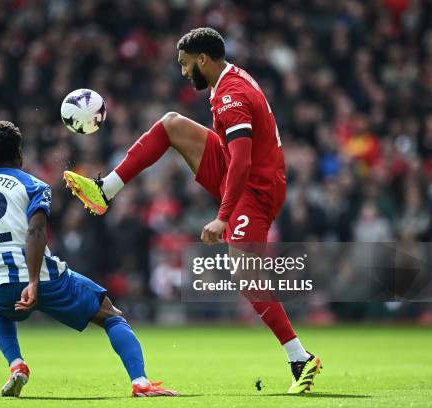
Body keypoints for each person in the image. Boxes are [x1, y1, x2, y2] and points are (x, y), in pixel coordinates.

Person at [63, 27, 322, 394]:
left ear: (203, 59)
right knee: (171, 123)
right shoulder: (226, 82)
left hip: (256, 188)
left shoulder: (233, 96)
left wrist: (224, 216)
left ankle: (300, 358)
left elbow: (243, 164)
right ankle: (106, 190)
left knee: (245, 274)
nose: (183, 72)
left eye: (186, 64)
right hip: (240, 168)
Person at [0, 121, 178, 398]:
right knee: (110, 314)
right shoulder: (33, 185)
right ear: (20, 154)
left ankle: (17, 365)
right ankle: (140, 382)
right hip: (42, 278)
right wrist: (33, 282)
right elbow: (36, 231)